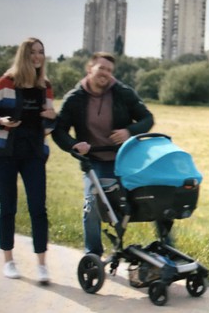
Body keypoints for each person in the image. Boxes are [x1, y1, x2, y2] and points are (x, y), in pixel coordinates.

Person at [52, 52, 154, 258]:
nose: (105, 74)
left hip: (123, 160)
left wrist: (129, 132)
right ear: (90, 69)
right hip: (94, 162)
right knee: (92, 206)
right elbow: (59, 130)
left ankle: (134, 248)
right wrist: (74, 145)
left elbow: (147, 118)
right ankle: (93, 254)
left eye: (109, 70)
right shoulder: (75, 98)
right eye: (101, 69)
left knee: (139, 203)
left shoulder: (123, 93)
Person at [0, 37, 56, 284]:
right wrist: (1, 122)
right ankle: (9, 260)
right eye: (33, 52)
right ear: (24, 55)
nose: (37, 56)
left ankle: (42, 265)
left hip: (33, 152)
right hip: (5, 153)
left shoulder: (46, 85)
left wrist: (52, 117)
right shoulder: (6, 82)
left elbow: (50, 125)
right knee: (8, 207)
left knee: (38, 208)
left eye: (41, 52)